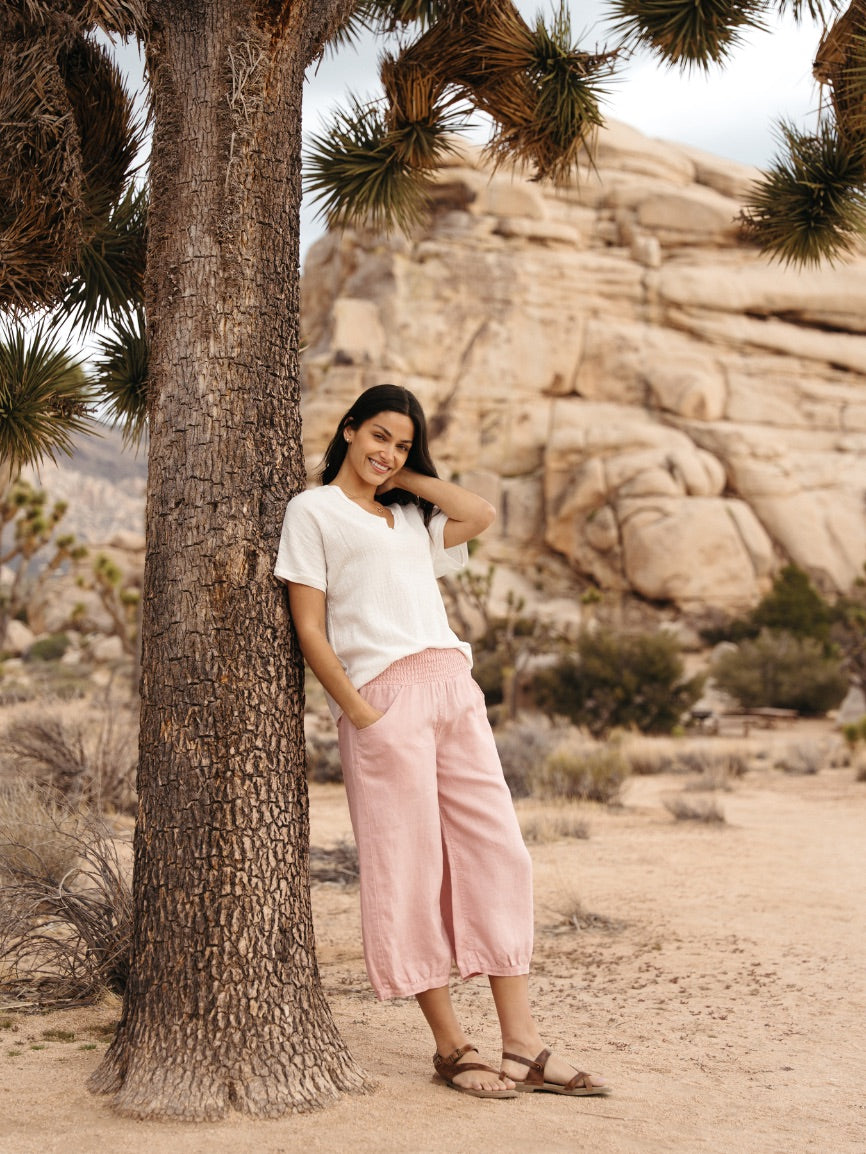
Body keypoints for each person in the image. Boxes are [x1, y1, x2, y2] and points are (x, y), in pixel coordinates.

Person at [275, 384, 610, 1100]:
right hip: (385, 699)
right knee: (410, 868)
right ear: (349, 429)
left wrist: (406, 476)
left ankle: (521, 1045)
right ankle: (452, 1045)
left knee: (500, 852)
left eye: (400, 443)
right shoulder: (313, 512)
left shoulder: (409, 518)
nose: (385, 452)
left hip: (454, 691)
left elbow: (479, 513)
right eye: (378, 437)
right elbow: (309, 628)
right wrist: (362, 714)